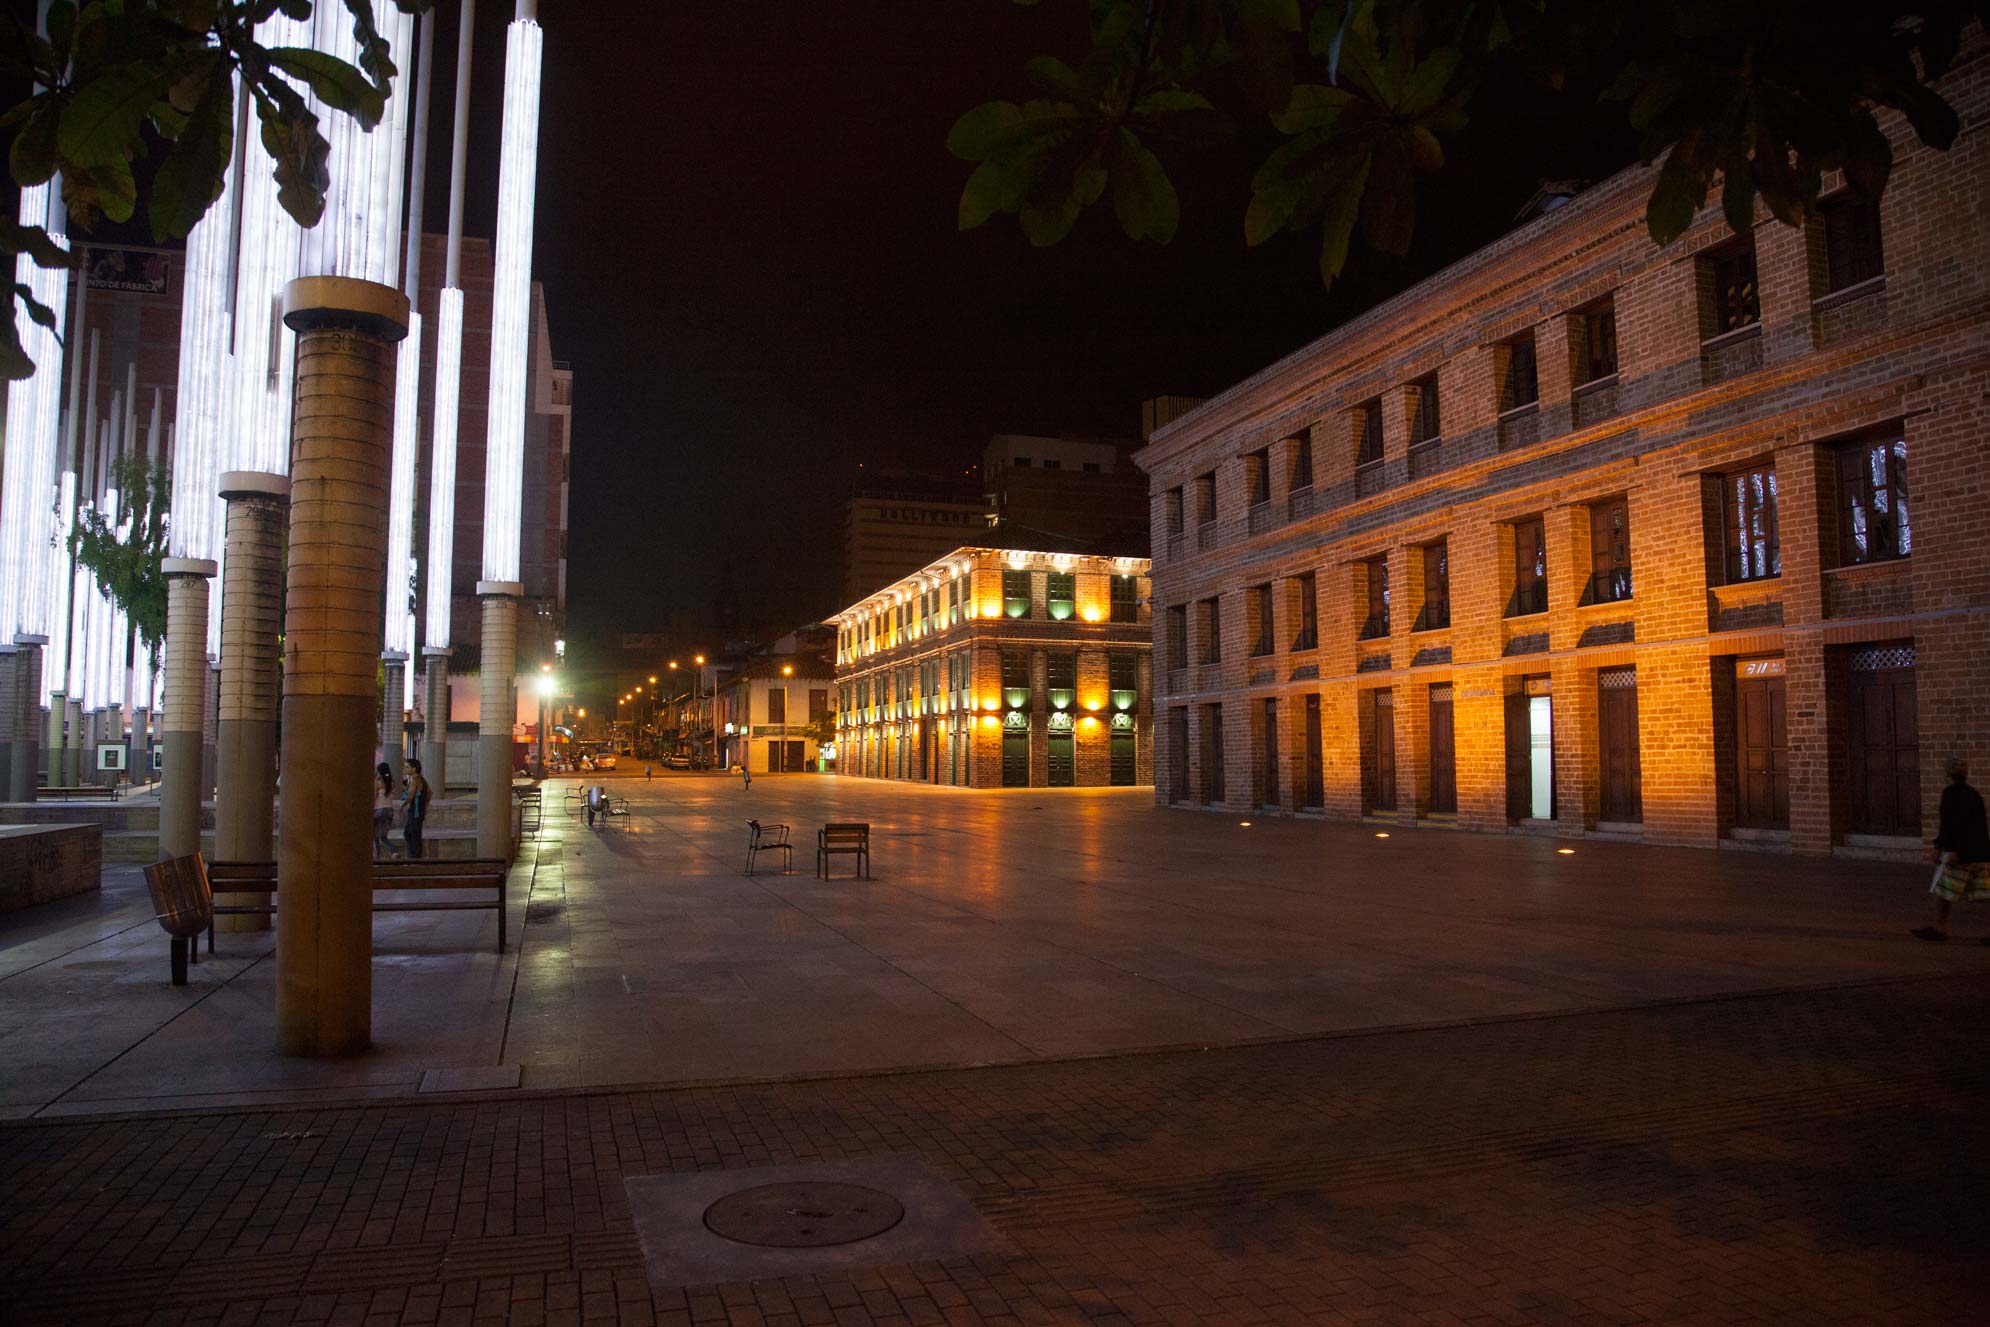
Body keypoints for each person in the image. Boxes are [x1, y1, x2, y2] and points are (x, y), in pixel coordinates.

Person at [1913, 756, 1990, 942]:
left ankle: (1941, 927)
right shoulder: (1974, 794)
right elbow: (1981, 823)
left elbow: (1948, 823)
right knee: (1985, 893)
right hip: (1979, 851)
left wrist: (1939, 847)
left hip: (1960, 852)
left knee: (1942, 891)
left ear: (1948, 773)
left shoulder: (1949, 793)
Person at [403, 758, 431, 860]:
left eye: (407, 767)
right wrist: (425, 805)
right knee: (408, 833)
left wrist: (402, 806)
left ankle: (415, 858)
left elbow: (411, 796)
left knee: (414, 835)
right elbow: (429, 793)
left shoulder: (415, 780)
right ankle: (413, 856)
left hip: (415, 811)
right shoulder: (420, 779)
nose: (404, 769)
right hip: (418, 811)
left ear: (414, 769)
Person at [372, 762, 398, 859]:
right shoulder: (392, 782)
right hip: (390, 810)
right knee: (383, 836)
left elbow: (374, 797)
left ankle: (377, 857)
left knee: (375, 836)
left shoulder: (377, 783)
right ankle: (393, 852)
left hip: (379, 810)